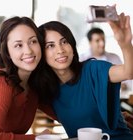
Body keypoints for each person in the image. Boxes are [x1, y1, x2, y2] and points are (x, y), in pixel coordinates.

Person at [37, 12, 133, 140]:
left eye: (64, 41)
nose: (60, 50)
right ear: (41, 53)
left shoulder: (92, 69)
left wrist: (125, 44)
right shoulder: (46, 91)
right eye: (50, 46)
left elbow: (128, 72)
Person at [0, 16, 49, 140]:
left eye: (33, 41)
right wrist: (37, 138)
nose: (28, 50)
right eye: (18, 45)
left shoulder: (34, 84)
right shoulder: (2, 83)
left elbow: (63, 114)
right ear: (7, 52)